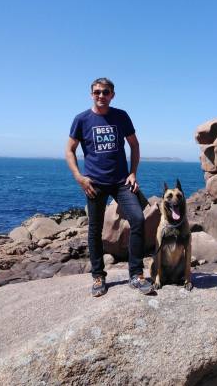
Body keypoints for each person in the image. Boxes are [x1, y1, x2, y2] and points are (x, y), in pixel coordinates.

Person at [66, 77, 153, 297]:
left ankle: (136, 274)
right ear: (91, 94)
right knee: (95, 230)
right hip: (94, 183)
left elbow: (134, 145)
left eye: (105, 92)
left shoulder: (121, 116)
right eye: (97, 92)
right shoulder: (81, 119)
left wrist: (133, 173)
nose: (101, 96)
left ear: (112, 95)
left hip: (121, 182)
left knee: (138, 219)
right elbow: (69, 150)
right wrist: (79, 177)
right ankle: (98, 276)